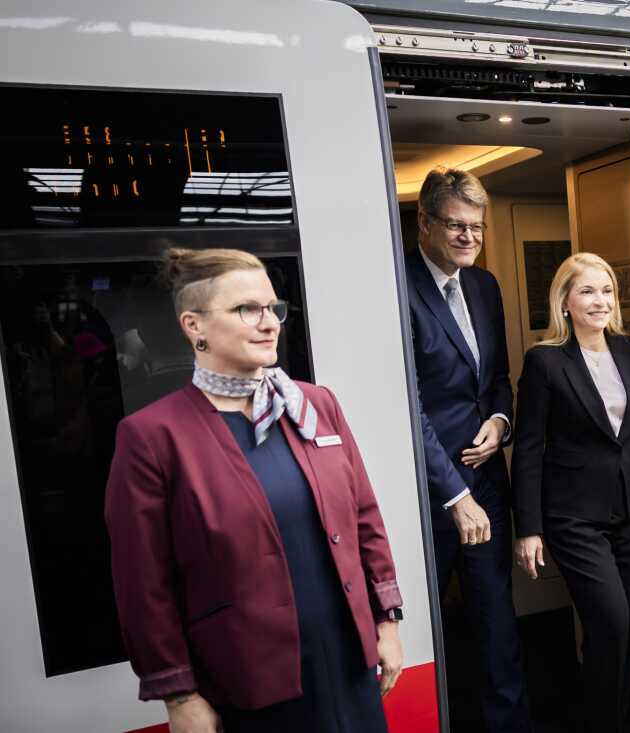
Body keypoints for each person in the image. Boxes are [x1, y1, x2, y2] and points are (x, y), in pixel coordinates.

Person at [105, 248, 404, 733]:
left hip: (350, 660)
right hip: (250, 683)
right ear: (194, 326)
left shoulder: (315, 405)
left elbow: (364, 517)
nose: (269, 323)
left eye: (272, 308)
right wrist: (179, 695)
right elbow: (143, 585)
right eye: (247, 309)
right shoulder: (152, 437)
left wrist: (387, 621)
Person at [511, 252, 630, 733]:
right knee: (612, 623)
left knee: (626, 630)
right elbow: (529, 448)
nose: (600, 301)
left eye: (607, 291)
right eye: (587, 291)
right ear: (564, 301)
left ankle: (608, 720)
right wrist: (529, 529)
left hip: (629, 512)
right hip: (573, 518)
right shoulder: (544, 361)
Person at [405, 168, 529, 732]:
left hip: (488, 484)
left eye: (476, 227)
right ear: (425, 223)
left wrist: (500, 422)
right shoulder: (397, 285)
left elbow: (497, 378)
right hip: (429, 495)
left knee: (496, 624)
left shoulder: (484, 286)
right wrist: (455, 495)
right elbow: (406, 405)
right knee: (423, 629)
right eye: (456, 225)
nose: (468, 237)